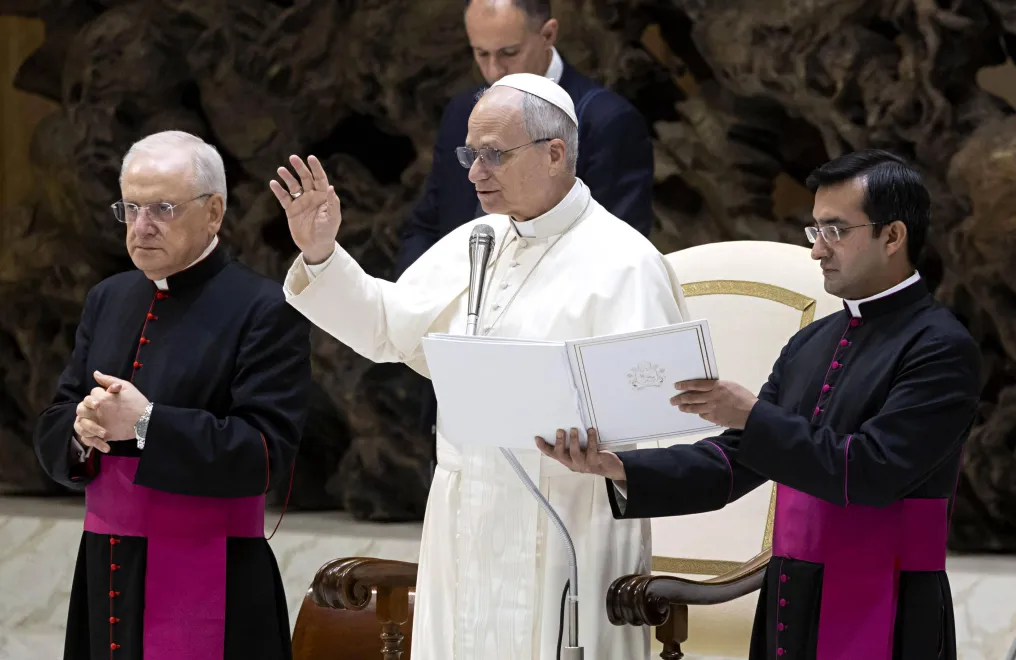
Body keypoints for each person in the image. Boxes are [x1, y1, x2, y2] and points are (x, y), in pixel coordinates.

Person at [271, 74, 686, 660]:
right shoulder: (479, 240)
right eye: (470, 153)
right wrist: (320, 252)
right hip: (466, 517)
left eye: (493, 154)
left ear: (555, 153)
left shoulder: (624, 264)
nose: (473, 172)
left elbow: (658, 413)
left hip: (568, 514)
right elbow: (387, 328)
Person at [538, 150, 983, 659]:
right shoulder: (811, 342)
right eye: (814, 231)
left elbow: (873, 471)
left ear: (893, 236)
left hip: (890, 600)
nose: (817, 251)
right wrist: (617, 467)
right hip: (791, 594)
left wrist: (753, 416)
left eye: (835, 230)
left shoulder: (940, 347)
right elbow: (734, 461)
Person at [34, 131, 312, 660]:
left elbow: (266, 453)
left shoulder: (264, 308)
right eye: (131, 208)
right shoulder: (108, 297)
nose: (142, 227)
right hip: (106, 565)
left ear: (213, 213)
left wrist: (147, 424)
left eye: (163, 208)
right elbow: (55, 417)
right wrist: (80, 429)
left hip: (213, 570)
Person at [399, 0, 657, 467]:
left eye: (508, 53)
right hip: (467, 345)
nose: (493, 69)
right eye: (480, 54)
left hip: (553, 373)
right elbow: (431, 218)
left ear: (549, 34)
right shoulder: (465, 110)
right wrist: (426, 300)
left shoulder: (604, 118)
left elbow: (613, 243)